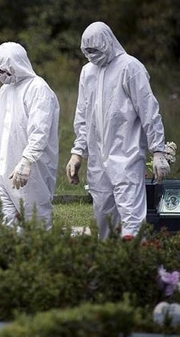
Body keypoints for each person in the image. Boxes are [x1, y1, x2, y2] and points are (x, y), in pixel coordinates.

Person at [66, 21, 170, 240]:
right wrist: (78, 152)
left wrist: (158, 151)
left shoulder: (130, 68)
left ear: (107, 42)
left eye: (95, 50)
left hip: (127, 155)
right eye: (87, 51)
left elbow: (149, 110)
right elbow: (83, 115)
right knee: (102, 216)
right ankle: (108, 265)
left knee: (131, 215)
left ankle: (133, 265)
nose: (92, 55)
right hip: (97, 159)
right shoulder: (87, 72)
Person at [0, 42, 59, 231]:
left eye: (3, 71)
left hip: (30, 172)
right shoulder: (5, 90)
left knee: (36, 222)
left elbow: (40, 131)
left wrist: (27, 161)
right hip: (3, 169)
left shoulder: (38, 89)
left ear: (16, 66)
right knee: (6, 227)